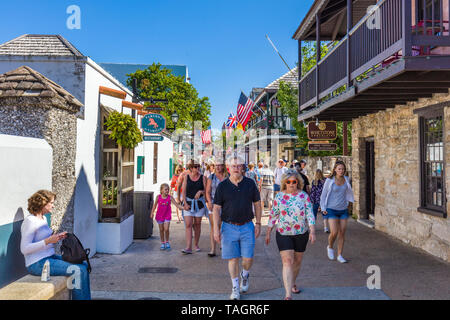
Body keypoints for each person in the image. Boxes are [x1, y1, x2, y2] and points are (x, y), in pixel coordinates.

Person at [21, 190, 91, 300]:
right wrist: (48, 241)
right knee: (78, 270)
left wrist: (57, 237)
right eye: (52, 203)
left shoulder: (43, 219)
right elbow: (24, 249)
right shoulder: (30, 221)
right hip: (37, 264)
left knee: (84, 265)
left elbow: (44, 240)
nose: (53, 206)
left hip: (49, 258)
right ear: (43, 202)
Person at [213, 156, 262, 300]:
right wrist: (216, 229)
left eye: (239, 166)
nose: (236, 168)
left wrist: (258, 223)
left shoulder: (250, 183)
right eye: (233, 166)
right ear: (228, 168)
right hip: (228, 227)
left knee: (248, 259)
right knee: (233, 259)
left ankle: (245, 275)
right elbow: (216, 209)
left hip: (247, 226)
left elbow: (258, 204)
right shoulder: (223, 186)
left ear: (243, 168)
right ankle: (235, 288)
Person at [265, 170, 316, 300]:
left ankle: (292, 281)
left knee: (297, 261)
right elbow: (273, 215)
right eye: (289, 182)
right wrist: (268, 232)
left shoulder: (304, 196)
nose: (292, 184)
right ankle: (288, 294)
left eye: (294, 182)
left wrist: (312, 231)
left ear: (298, 183)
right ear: (284, 183)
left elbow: (310, 214)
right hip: (283, 233)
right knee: (287, 261)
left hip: (301, 233)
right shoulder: (279, 197)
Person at [320, 161, 354, 263]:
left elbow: (348, 193)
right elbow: (323, 195)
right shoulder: (329, 180)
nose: (341, 171)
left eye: (343, 169)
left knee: (342, 233)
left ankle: (340, 255)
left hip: (343, 209)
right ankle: (330, 246)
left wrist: (349, 203)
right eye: (339, 169)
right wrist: (323, 208)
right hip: (331, 209)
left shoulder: (347, 179)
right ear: (335, 169)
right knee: (334, 232)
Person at [181, 160, 207, 254]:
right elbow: (183, 191)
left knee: (197, 225)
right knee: (188, 225)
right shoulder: (186, 177)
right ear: (191, 168)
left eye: (198, 166)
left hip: (199, 205)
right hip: (188, 204)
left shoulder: (203, 178)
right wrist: (184, 203)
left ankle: (196, 244)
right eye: (195, 167)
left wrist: (200, 192)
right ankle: (188, 247)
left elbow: (206, 191)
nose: (197, 168)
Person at [150, 183, 184, 250]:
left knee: (166, 229)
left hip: (167, 215)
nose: (167, 191)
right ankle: (162, 242)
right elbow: (154, 206)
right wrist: (152, 213)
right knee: (161, 230)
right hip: (159, 216)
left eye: (168, 189)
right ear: (161, 190)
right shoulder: (158, 197)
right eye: (165, 189)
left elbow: (177, 205)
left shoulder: (170, 197)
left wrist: (184, 208)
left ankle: (167, 242)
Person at [205, 159, 228, 257]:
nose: (218, 167)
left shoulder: (228, 177)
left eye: (220, 165)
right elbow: (207, 191)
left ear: (223, 166)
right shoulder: (212, 176)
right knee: (214, 226)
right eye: (216, 165)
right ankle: (213, 249)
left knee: (224, 226)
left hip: (226, 204)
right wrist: (209, 202)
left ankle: (224, 246)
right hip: (214, 204)